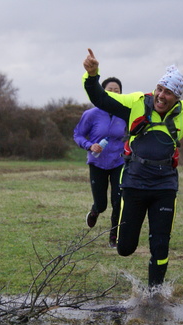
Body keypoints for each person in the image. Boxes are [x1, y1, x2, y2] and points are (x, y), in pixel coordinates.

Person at [82, 48, 183, 289]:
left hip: (164, 187)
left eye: (168, 92)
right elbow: (100, 98)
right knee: (125, 248)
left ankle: (155, 293)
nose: (161, 96)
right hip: (134, 185)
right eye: (159, 89)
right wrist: (93, 74)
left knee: (160, 244)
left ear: (177, 96)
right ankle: (134, 258)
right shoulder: (137, 102)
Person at [73, 76, 127, 248]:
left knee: (119, 200)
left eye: (117, 90)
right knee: (102, 204)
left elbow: (134, 134)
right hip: (97, 163)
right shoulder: (91, 114)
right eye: (109, 90)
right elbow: (78, 135)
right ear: (102, 92)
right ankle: (95, 211)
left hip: (119, 163)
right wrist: (90, 146)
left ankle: (114, 236)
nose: (113, 93)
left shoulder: (125, 113)